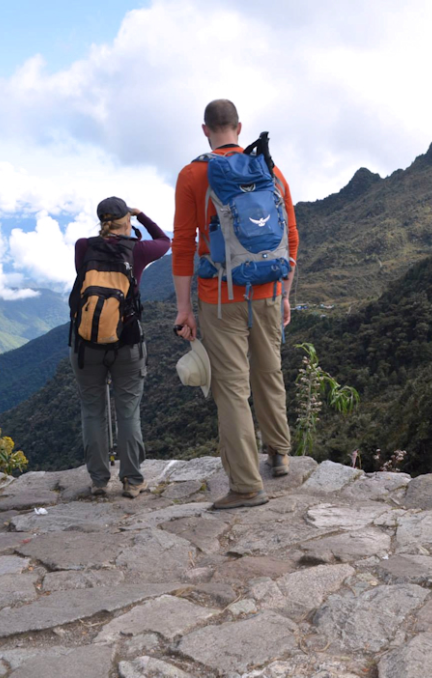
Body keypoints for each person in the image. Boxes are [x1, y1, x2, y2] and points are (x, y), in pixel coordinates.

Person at [172, 99, 299, 509]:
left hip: (220, 296)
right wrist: (285, 293)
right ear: (239, 128)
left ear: (205, 130)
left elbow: (183, 246)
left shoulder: (193, 175)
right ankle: (278, 454)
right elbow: (291, 238)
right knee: (270, 371)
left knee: (231, 389)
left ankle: (246, 485)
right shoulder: (270, 170)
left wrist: (184, 309)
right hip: (267, 292)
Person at [70, 197, 170, 498]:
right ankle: (133, 480)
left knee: (92, 413)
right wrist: (142, 217)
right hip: (127, 342)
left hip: (86, 344)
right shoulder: (137, 250)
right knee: (128, 412)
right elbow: (165, 241)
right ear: (126, 219)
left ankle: (99, 480)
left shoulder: (83, 247)